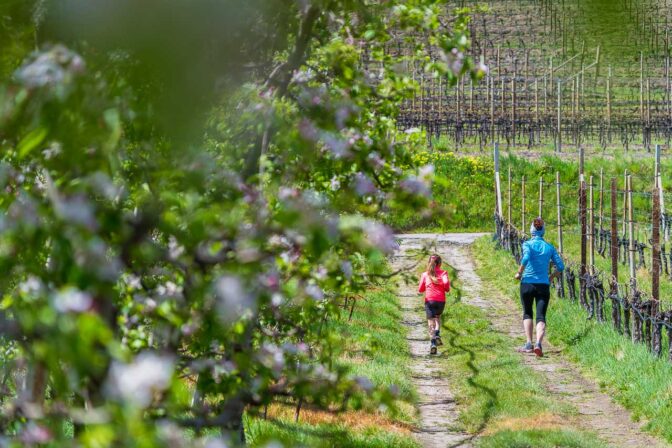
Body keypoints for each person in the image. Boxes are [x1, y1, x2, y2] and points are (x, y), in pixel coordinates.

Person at [514, 217, 564, 357]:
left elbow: (525, 258)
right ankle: (538, 344)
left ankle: (529, 343)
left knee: (527, 312)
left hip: (527, 284)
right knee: (541, 316)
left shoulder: (527, 245)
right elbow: (561, 266)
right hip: (543, 285)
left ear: (531, 230)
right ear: (543, 231)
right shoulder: (549, 247)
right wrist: (551, 277)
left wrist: (519, 272)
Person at [418, 254, 450, 354]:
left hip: (429, 301)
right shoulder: (444, 273)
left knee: (430, 322)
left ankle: (433, 343)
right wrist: (446, 288)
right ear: (440, 264)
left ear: (429, 263)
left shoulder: (425, 274)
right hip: (440, 301)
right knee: (437, 318)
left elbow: (420, 289)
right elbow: (446, 285)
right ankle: (437, 333)